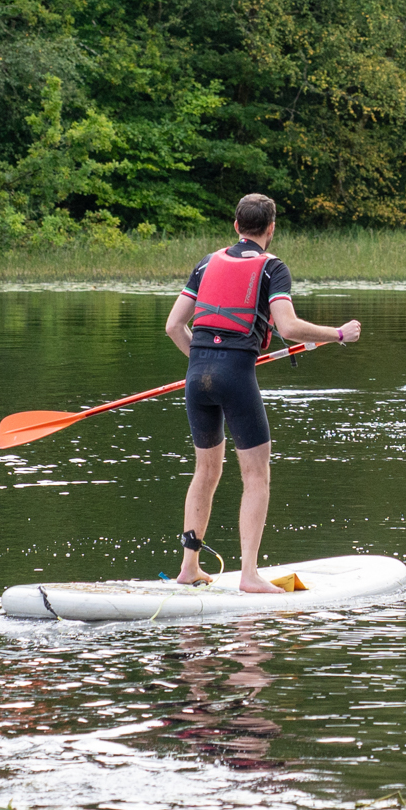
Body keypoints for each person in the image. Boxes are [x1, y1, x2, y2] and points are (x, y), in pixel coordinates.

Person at [165, 194, 361, 593]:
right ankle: (249, 575)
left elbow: (173, 327)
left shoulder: (205, 263)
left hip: (196, 375)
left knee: (205, 471)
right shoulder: (273, 268)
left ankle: (189, 566)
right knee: (255, 475)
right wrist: (338, 335)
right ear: (270, 229)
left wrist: (202, 362)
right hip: (236, 375)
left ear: (236, 225)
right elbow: (287, 327)